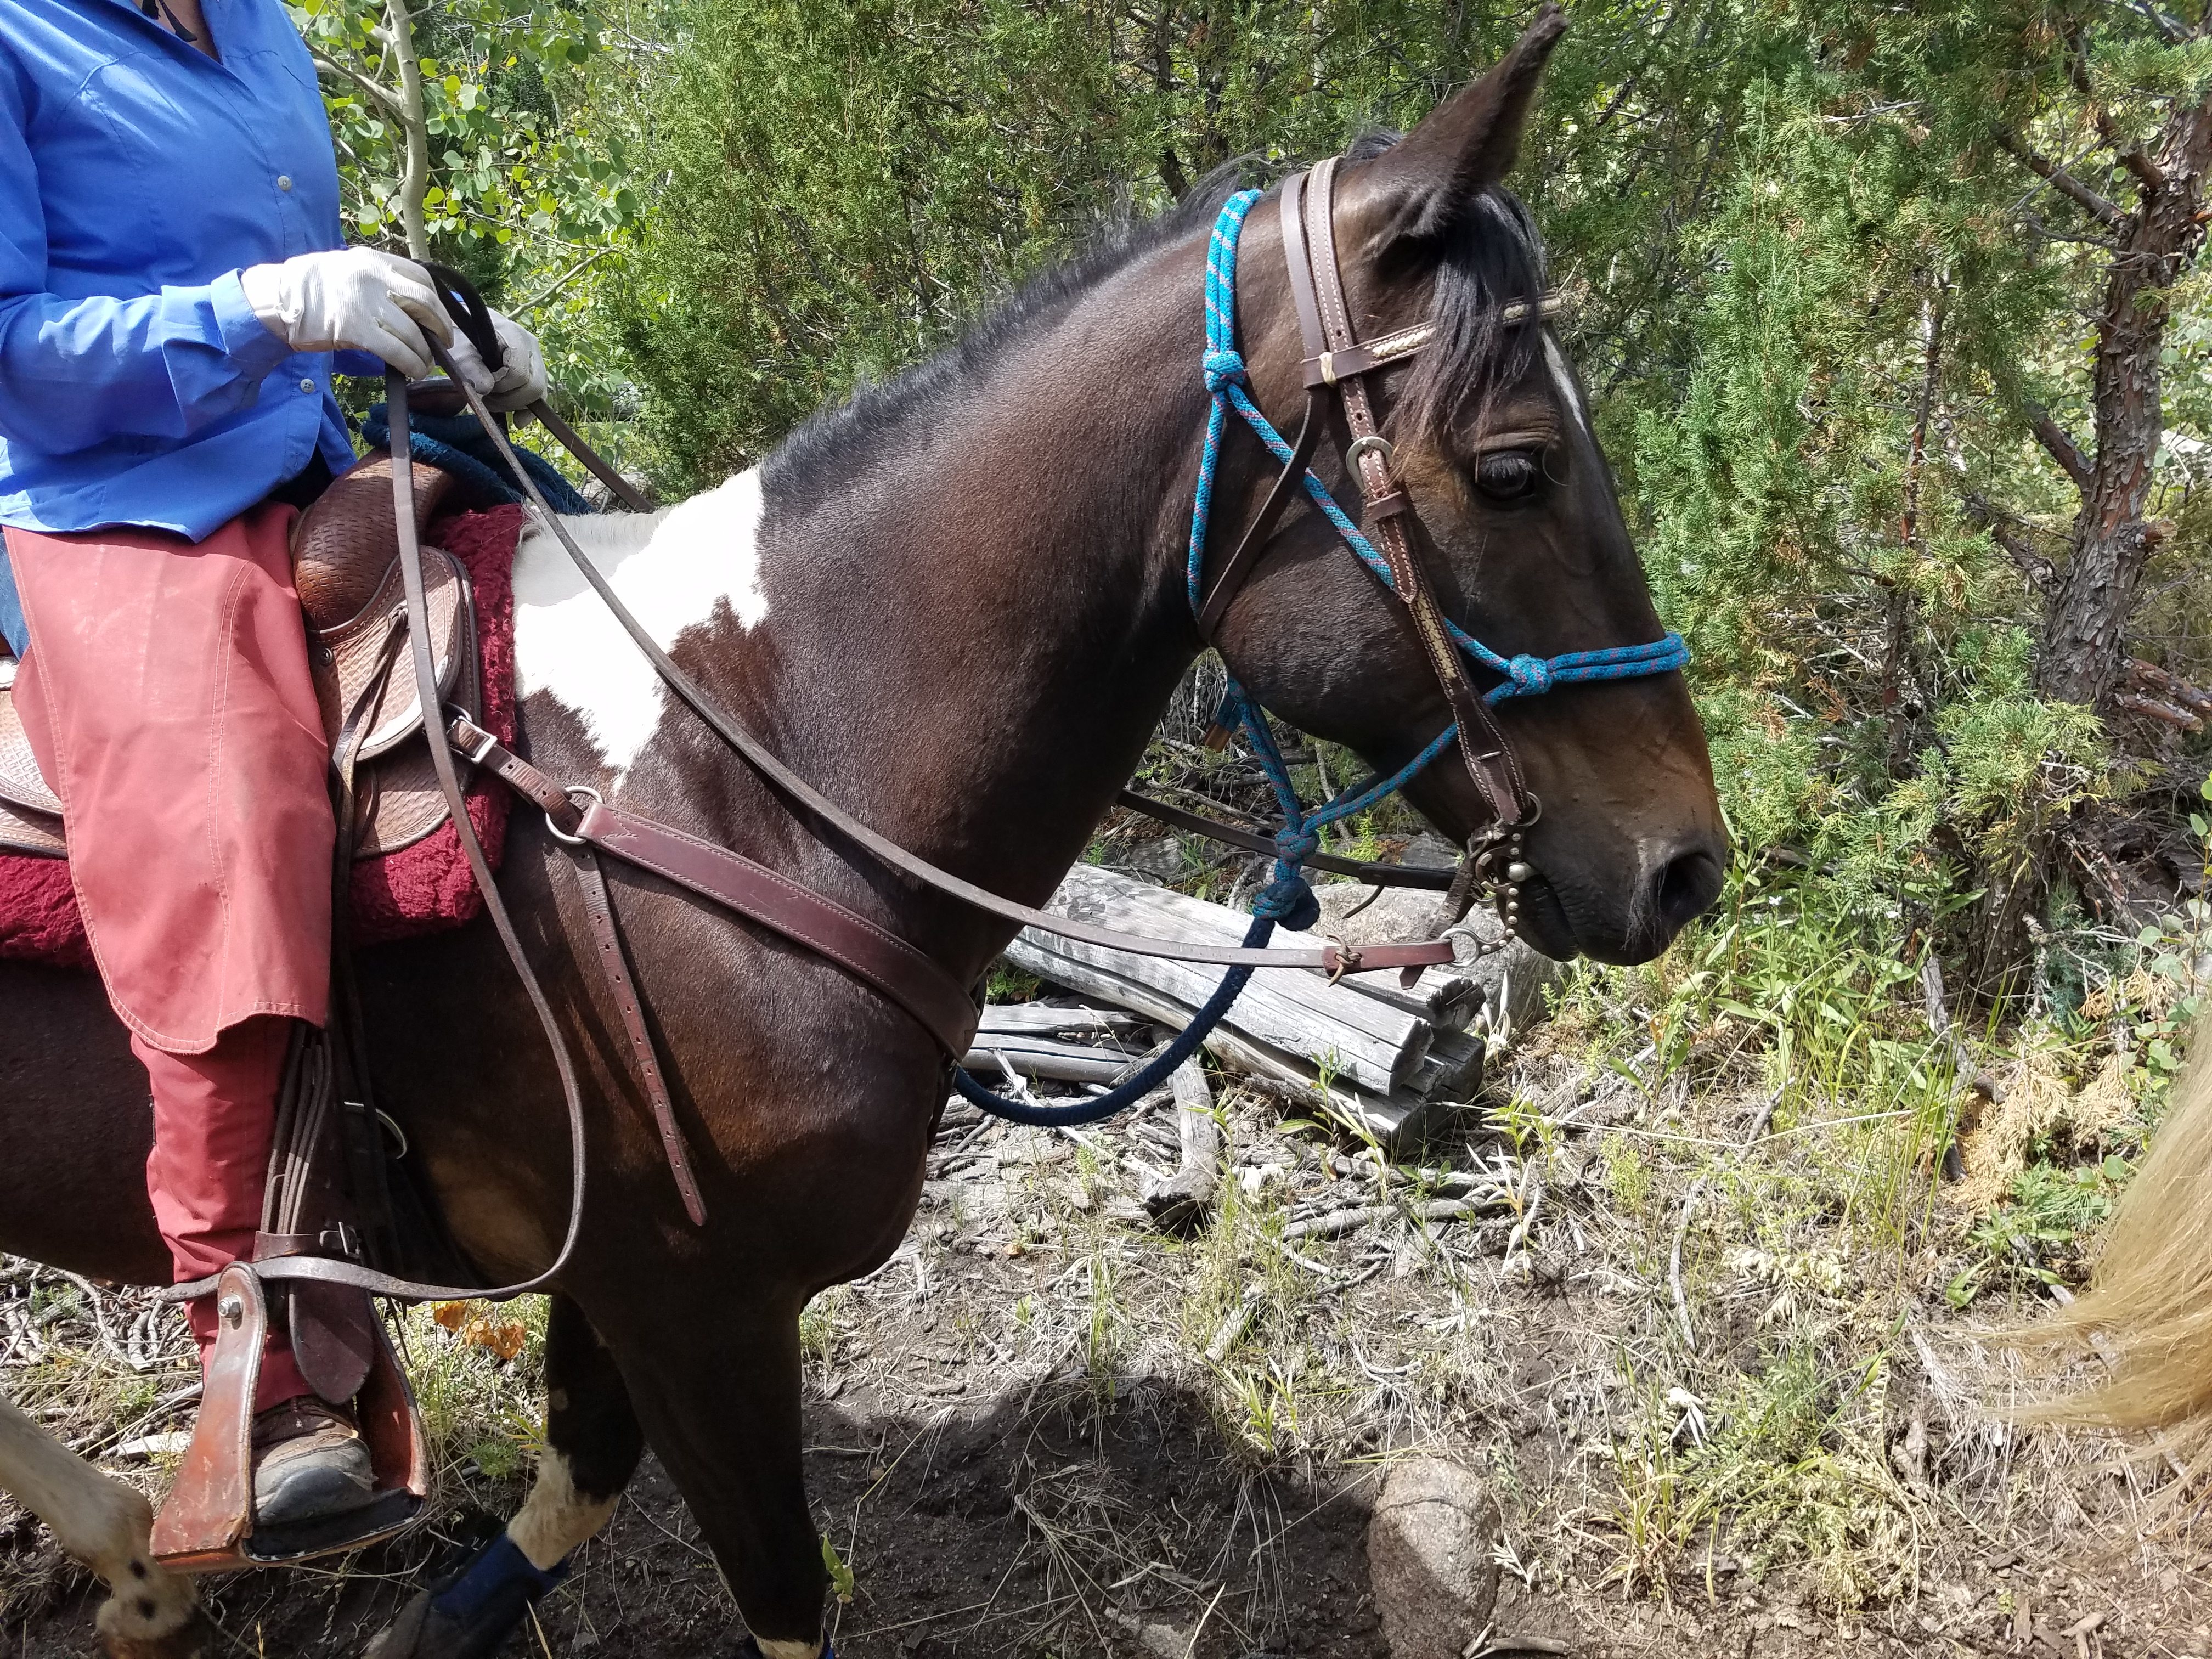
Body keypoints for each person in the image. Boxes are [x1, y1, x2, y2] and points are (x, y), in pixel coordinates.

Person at [1, 0, 546, 1529]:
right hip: (113, 502)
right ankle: (264, 1368)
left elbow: (266, 244)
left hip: (302, 458)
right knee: (230, 802)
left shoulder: (254, 22)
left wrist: (434, 334)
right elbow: (11, 352)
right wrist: (270, 306)